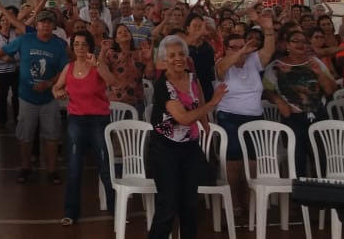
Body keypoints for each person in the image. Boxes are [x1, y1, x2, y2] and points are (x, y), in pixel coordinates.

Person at [147, 37, 228, 239]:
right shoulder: (163, 86)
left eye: (181, 54)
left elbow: (198, 103)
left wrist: (206, 128)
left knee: (190, 206)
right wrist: (213, 103)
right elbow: (183, 118)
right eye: (172, 55)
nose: (178, 58)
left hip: (189, 147)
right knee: (168, 205)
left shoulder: (192, 77)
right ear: (164, 60)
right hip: (164, 149)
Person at [0, 10, 69, 187]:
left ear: (53, 25)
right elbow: (2, 51)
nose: (45, 25)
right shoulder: (25, 40)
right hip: (27, 98)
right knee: (25, 135)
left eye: (49, 22)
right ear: (36, 25)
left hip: (49, 98)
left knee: (51, 136)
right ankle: (25, 167)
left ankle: (52, 170)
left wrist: (49, 83)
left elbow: (65, 70)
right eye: (42, 22)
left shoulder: (59, 45)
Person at [52, 30, 121, 226]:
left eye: (83, 44)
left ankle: (116, 210)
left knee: (105, 166)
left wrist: (97, 64)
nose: (80, 48)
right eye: (76, 44)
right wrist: (58, 92)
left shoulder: (97, 65)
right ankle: (70, 212)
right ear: (72, 47)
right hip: (76, 120)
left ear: (90, 46)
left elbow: (112, 82)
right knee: (74, 167)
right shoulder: (69, 67)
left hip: (99, 120)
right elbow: (56, 87)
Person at [214, 12, 277, 215]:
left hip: (254, 117)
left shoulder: (253, 61)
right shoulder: (221, 64)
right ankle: (233, 198)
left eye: (242, 46)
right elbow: (223, 68)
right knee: (234, 160)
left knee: (252, 161)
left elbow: (269, 50)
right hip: (229, 116)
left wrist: (268, 29)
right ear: (226, 49)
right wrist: (240, 51)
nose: (241, 50)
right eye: (234, 47)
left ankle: (249, 198)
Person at [263, 29, 336, 177]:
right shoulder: (276, 66)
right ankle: (299, 190)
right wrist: (279, 101)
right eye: (295, 41)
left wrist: (319, 74)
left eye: (303, 41)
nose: (300, 44)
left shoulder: (316, 62)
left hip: (318, 115)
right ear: (287, 45)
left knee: (321, 157)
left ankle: (322, 188)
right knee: (297, 159)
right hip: (292, 117)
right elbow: (267, 90)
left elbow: (330, 90)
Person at [104, 23, 155, 116]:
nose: (124, 33)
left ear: (131, 36)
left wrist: (149, 60)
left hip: (136, 102)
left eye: (126, 31)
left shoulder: (139, 54)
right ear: (116, 39)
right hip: (114, 104)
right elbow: (101, 70)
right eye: (120, 32)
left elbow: (150, 75)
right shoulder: (110, 54)